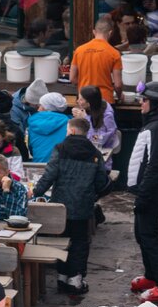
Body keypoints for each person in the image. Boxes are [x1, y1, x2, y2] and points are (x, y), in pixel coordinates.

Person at [33, 118, 106, 294]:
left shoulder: (60, 149)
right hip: (83, 206)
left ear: (72, 131)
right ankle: (76, 279)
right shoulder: (95, 153)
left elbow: (50, 174)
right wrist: (93, 195)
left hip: (61, 205)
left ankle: (62, 276)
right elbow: (102, 181)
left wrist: (36, 192)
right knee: (80, 242)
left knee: (61, 240)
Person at [127, 82, 158, 302]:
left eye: (144, 100)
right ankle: (152, 275)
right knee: (142, 235)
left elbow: (154, 164)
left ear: (155, 104)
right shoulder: (154, 124)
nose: (141, 104)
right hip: (147, 190)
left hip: (152, 191)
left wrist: (144, 195)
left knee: (150, 237)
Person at [68, 19, 122, 103]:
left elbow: (72, 78)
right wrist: (120, 96)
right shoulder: (114, 53)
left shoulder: (79, 50)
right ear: (110, 33)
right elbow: (118, 85)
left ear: (94, 32)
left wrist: (84, 84)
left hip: (84, 99)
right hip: (105, 100)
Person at [26, 92, 71, 162]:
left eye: (41, 106)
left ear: (46, 108)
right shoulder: (69, 123)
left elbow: (31, 149)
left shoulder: (33, 122)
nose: (38, 109)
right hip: (61, 167)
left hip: (37, 165)